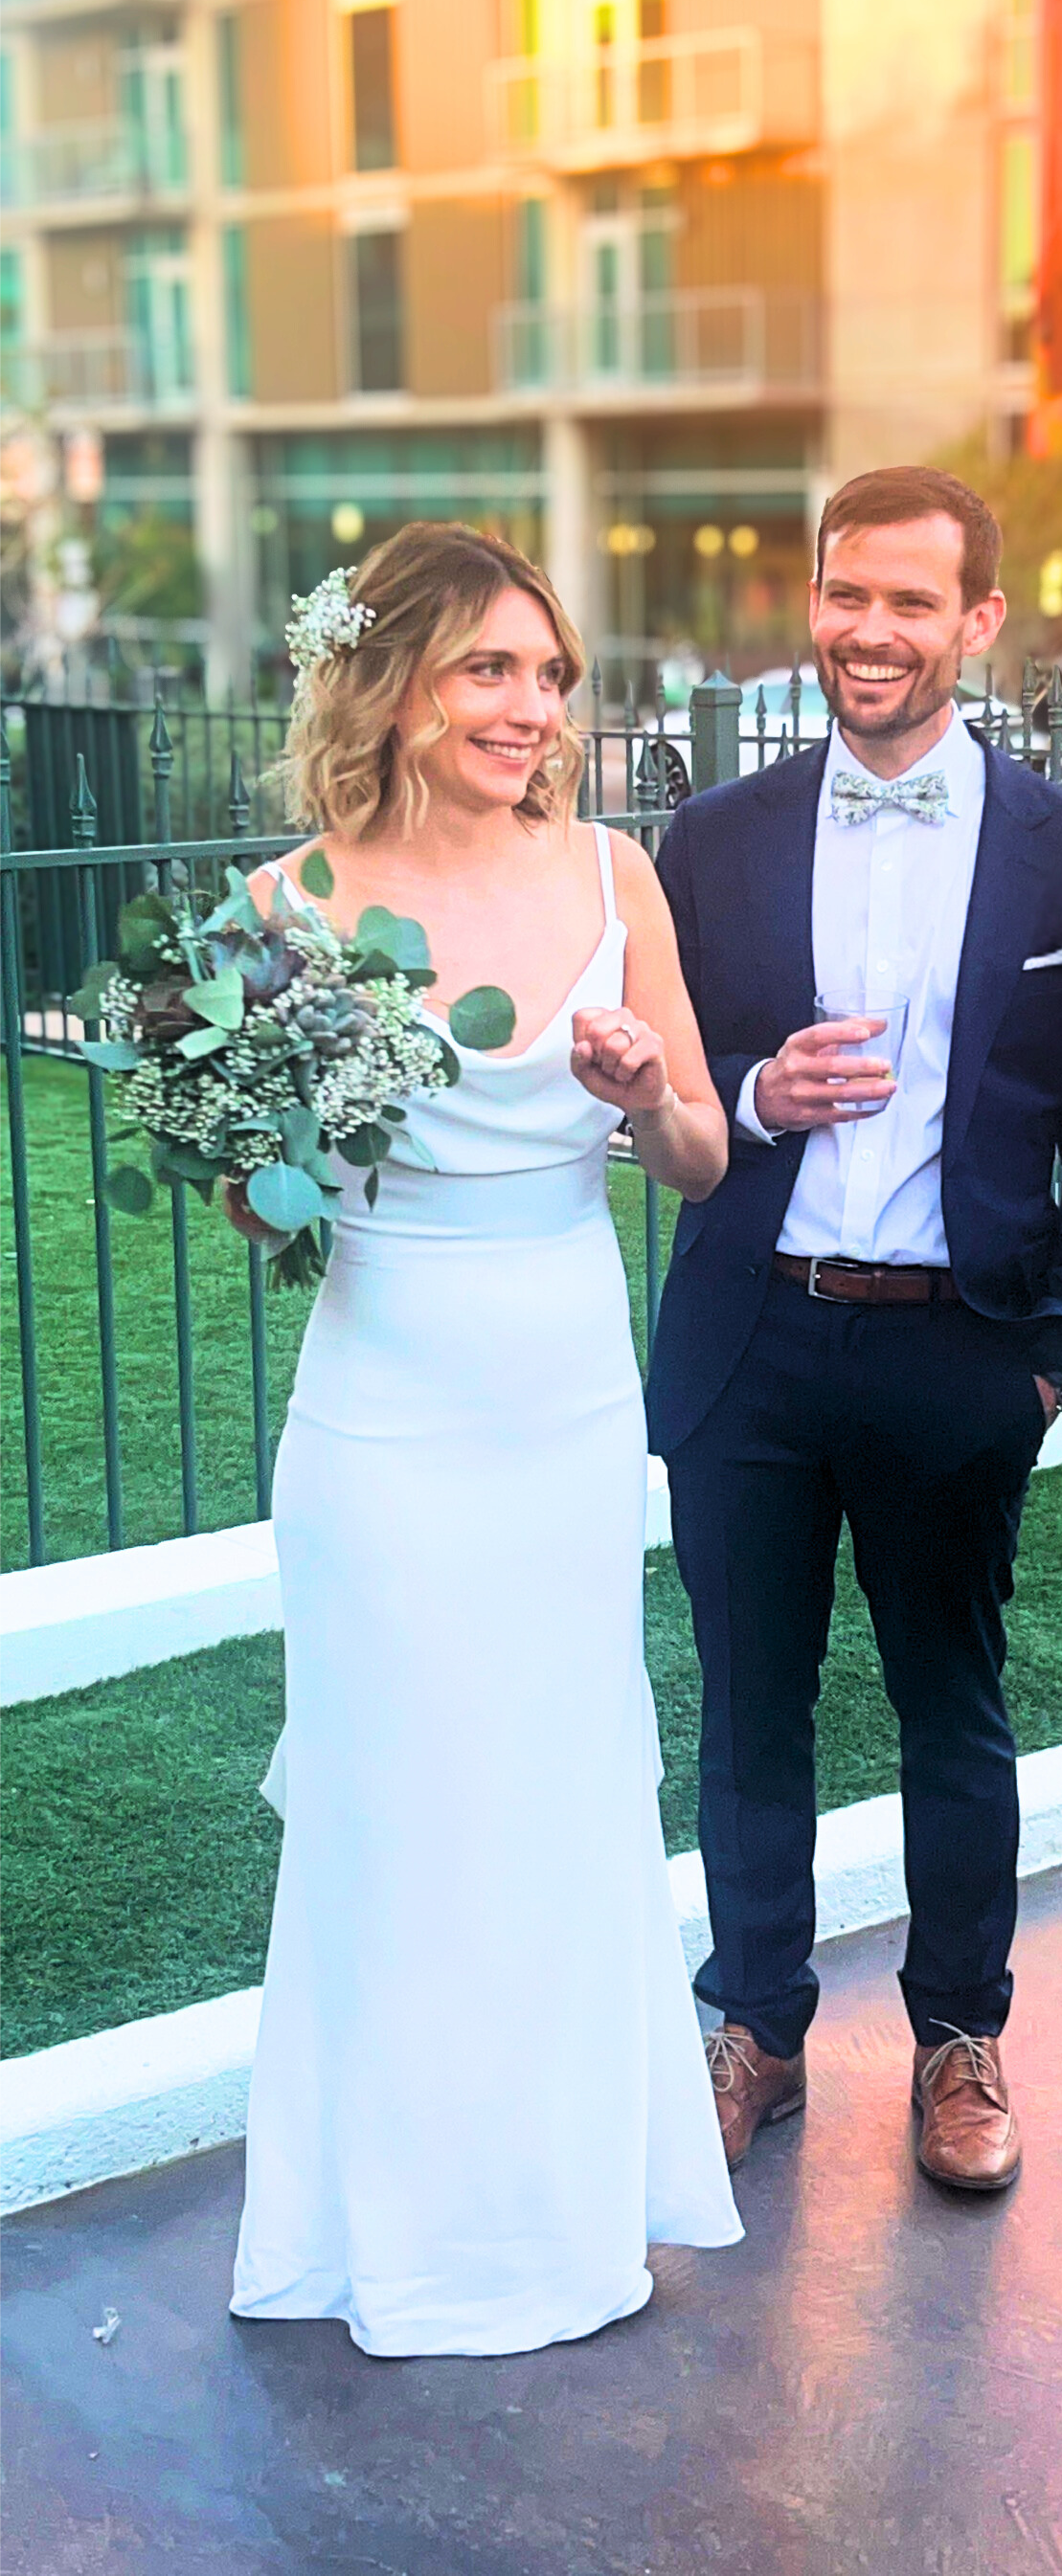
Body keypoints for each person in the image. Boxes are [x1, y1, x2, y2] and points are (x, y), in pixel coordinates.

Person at [229, 524, 741, 2359]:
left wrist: (641, 1099)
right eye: (487, 671)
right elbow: (259, 1215)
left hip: (564, 1396)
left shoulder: (618, 872)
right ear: (392, 686)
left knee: (552, 1783)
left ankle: (555, 2215)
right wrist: (275, 1130)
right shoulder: (277, 909)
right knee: (396, 1793)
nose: (532, 707)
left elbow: (702, 1158)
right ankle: (389, 2227)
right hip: (380, 1407)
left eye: (548, 673)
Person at [648, 466, 1062, 2192]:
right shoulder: (708, 842)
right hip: (755, 1342)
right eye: (845, 595)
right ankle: (758, 2027)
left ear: (979, 622)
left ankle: (960, 2038)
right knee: (751, 1707)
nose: (870, 631)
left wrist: (1059, 1353)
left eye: (909, 602)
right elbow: (668, 1087)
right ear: (814, 601)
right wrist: (752, 1089)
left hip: (962, 1351)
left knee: (953, 1705)